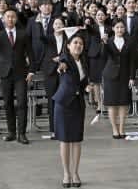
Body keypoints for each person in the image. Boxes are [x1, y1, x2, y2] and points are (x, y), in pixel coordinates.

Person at [0, 9, 34, 144]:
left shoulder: (23, 34)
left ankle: (22, 134)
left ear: (16, 19)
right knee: (7, 103)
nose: (10, 19)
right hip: (5, 73)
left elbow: (31, 53)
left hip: (21, 73)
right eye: (8, 17)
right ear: (4, 19)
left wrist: (31, 71)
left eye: (13, 17)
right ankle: (11, 132)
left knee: (22, 102)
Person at [53, 34, 90, 188]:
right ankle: (66, 174)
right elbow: (61, 65)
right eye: (75, 42)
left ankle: (75, 173)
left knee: (76, 140)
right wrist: (61, 66)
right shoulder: (66, 59)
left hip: (78, 104)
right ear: (68, 45)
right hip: (63, 104)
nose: (78, 45)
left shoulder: (84, 62)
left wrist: (86, 88)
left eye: (80, 43)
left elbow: (82, 83)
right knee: (65, 140)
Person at [102, 20, 136, 139]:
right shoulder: (108, 41)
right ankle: (114, 129)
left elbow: (132, 60)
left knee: (124, 103)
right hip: (110, 75)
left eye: (122, 27)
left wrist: (132, 77)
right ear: (113, 28)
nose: (120, 29)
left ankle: (122, 128)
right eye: (117, 27)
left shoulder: (130, 41)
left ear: (125, 29)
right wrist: (104, 44)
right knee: (112, 104)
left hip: (125, 75)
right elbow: (103, 56)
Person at [39, 17, 66, 139]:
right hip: (50, 71)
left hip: (65, 71)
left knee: (64, 101)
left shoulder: (68, 38)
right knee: (52, 101)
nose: (58, 25)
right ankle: (53, 130)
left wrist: (61, 58)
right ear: (52, 26)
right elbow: (41, 37)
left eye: (60, 23)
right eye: (56, 23)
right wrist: (40, 24)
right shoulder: (48, 38)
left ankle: (64, 129)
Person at [85, 10, 110, 115]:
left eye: (102, 15)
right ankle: (99, 104)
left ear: (105, 17)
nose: (100, 16)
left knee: (105, 81)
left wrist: (107, 40)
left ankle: (105, 103)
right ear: (95, 17)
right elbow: (88, 29)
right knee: (96, 82)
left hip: (106, 56)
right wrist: (86, 23)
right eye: (98, 15)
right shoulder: (92, 28)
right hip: (94, 56)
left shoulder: (109, 28)